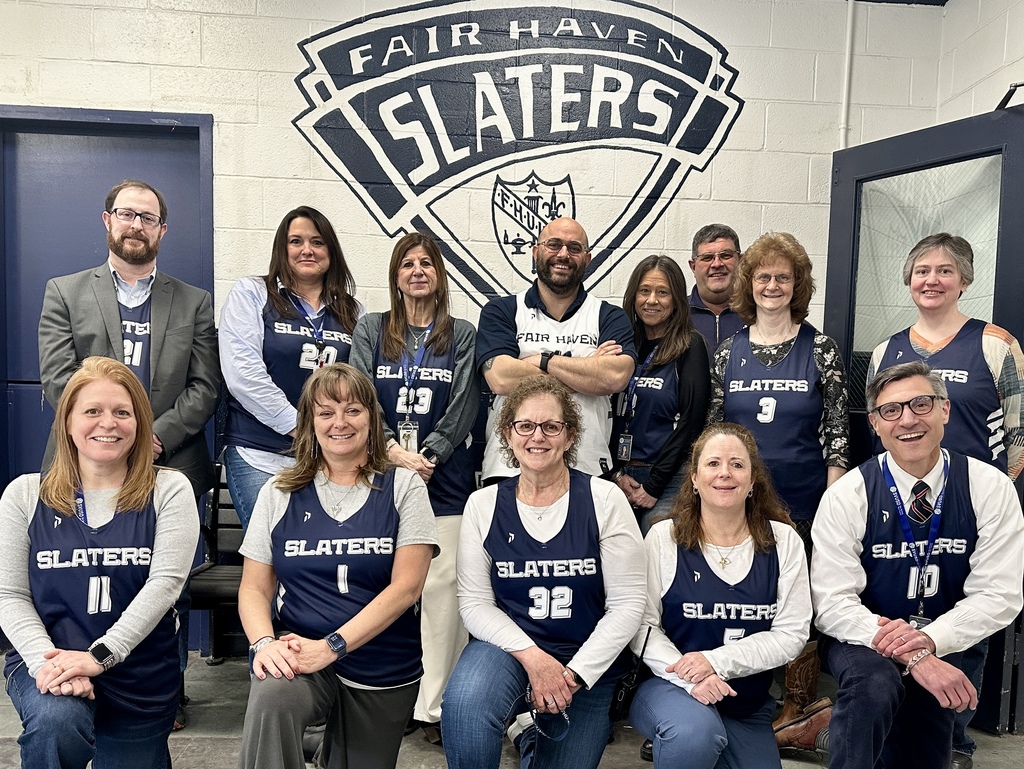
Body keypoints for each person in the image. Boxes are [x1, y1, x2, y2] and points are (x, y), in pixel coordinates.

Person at [37, 178, 220, 729]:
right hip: (83, 469)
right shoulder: (65, 292)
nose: (135, 224)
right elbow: (58, 383)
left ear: (162, 229)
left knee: (168, 585)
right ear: (107, 220)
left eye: (147, 217)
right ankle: (70, 675)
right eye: (126, 214)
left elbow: (205, 387)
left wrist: (148, 437)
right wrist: (108, 432)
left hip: (169, 462)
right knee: (77, 576)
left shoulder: (194, 302)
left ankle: (169, 692)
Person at [811, 361, 1024, 769]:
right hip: (861, 637)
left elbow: (999, 593)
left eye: (921, 404)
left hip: (945, 634)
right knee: (873, 684)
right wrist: (915, 657)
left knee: (922, 749)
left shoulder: (990, 487)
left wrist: (930, 643)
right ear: (874, 423)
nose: (908, 420)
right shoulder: (848, 494)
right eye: (891, 410)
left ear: (945, 410)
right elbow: (832, 602)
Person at [866, 234, 1024, 768]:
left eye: (944, 270)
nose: (932, 280)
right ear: (908, 281)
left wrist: (993, 495)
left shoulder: (995, 343)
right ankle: (901, 729)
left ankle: (953, 737)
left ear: (965, 278)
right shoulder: (889, 349)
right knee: (899, 610)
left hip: (969, 502)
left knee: (964, 618)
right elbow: (878, 428)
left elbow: (1020, 434)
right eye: (921, 271)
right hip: (902, 503)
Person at [0, 357, 199, 768]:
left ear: (140, 424)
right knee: (56, 719)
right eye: (92, 411)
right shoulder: (23, 495)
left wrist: (98, 657)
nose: (108, 423)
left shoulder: (169, 490)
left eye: (122, 412)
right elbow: (10, 594)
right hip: (50, 665)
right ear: (67, 423)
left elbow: (164, 586)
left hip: (139, 674)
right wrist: (51, 667)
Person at [237, 364, 437, 769]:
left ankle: (322, 746)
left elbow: (406, 589)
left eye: (353, 410)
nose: (339, 423)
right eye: (325, 412)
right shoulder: (279, 492)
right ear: (310, 423)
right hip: (300, 652)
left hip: (382, 662)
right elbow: (254, 589)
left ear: (373, 418)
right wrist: (264, 645)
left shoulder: (404, 486)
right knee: (272, 692)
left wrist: (332, 648)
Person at [441, 375, 646, 769]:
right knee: (466, 702)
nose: (538, 437)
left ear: (570, 436)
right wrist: (536, 661)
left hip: (586, 663)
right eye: (526, 426)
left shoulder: (604, 498)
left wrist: (573, 674)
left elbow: (627, 605)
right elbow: (475, 603)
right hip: (511, 652)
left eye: (552, 426)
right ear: (508, 434)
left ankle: (531, 739)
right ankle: (526, 727)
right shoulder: (483, 504)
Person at [708, 231, 848, 733]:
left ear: (798, 284)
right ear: (750, 283)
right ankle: (733, 696)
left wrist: (833, 500)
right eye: (763, 276)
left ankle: (797, 710)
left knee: (798, 597)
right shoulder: (729, 351)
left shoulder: (821, 348)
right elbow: (716, 430)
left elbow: (836, 429)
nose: (772, 285)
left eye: (782, 277)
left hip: (804, 496)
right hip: (737, 499)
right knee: (745, 591)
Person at [349, 231, 478, 742]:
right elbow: (359, 393)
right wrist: (392, 452)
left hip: (443, 483)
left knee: (443, 592)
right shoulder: (371, 329)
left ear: (440, 274)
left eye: (427, 262)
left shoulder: (461, 333)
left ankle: (436, 707)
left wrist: (432, 455)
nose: (417, 271)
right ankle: (390, 694)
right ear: (395, 274)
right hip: (382, 479)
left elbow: (467, 401)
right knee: (388, 589)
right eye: (407, 263)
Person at [628, 422, 812, 768]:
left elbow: (791, 635)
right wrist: (691, 676)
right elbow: (642, 625)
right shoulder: (663, 538)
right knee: (694, 736)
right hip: (672, 688)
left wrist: (714, 663)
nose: (724, 473)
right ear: (694, 478)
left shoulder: (784, 541)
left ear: (753, 479)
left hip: (745, 702)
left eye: (737, 464)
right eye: (713, 463)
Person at [220, 205, 362, 529]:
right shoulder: (252, 293)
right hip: (260, 453)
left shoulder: (354, 311)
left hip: (327, 457)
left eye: (317, 241)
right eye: (296, 241)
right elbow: (243, 375)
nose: (307, 250)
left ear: (331, 251)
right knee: (270, 551)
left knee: (317, 554)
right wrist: (300, 428)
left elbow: (360, 385)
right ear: (282, 250)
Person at [476, 217, 636, 481]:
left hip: (588, 468)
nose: (563, 254)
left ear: (588, 259)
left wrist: (542, 360)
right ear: (536, 252)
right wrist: (586, 374)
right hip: (509, 469)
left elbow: (614, 377)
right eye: (554, 244)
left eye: (574, 248)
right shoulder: (502, 311)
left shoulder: (609, 316)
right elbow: (500, 377)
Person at [611, 255, 711, 533]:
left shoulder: (690, 346)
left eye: (662, 292)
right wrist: (616, 474)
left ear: (676, 299)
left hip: (667, 480)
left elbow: (692, 424)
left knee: (661, 563)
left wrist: (653, 485)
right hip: (618, 477)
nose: (651, 300)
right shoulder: (622, 346)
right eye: (644, 291)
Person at [688, 224, 746, 365]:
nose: (717, 264)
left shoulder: (759, 314)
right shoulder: (675, 313)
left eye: (726, 256)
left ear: (741, 261)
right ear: (693, 266)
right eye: (707, 258)